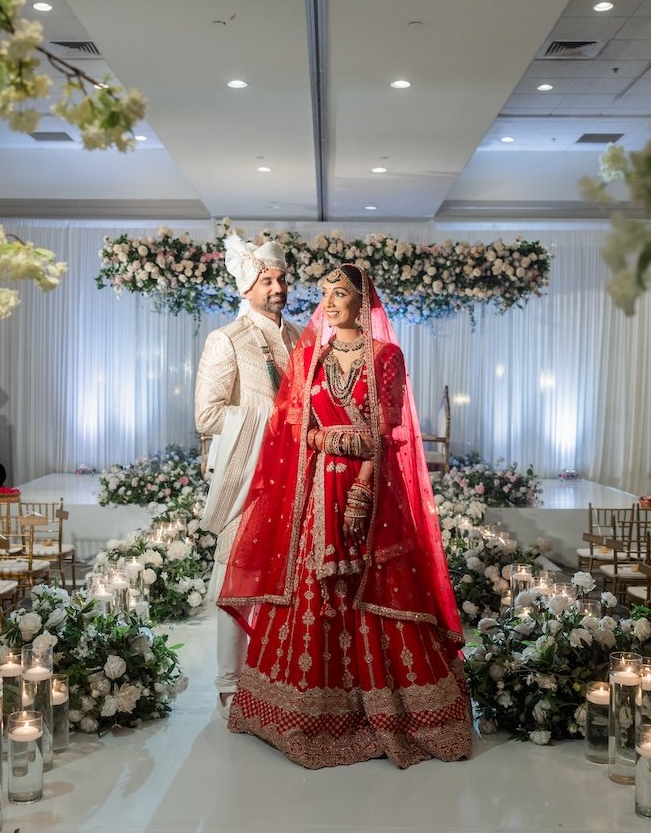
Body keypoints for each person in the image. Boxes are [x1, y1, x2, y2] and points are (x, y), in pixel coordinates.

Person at [217, 263, 471, 769]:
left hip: (370, 495)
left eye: (341, 294)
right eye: (325, 294)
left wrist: (359, 486)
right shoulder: (310, 358)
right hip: (316, 498)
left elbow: (384, 433)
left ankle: (383, 709)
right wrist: (324, 442)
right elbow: (292, 429)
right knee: (315, 593)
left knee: (375, 589)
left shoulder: (387, 357)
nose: (329, 303)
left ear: (363, 302)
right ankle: (310, 711)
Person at [195, 233, 301, 706]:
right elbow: (207, 415)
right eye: (266, 280)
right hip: (251, 479)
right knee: (238, 578)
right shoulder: (227, 340)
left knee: (290, 578)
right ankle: (229, 683)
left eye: (281, 279)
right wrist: (270, 424)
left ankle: (278, 672)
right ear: (245, 288)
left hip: (298, 478)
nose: (276, 288)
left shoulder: (301, 338)